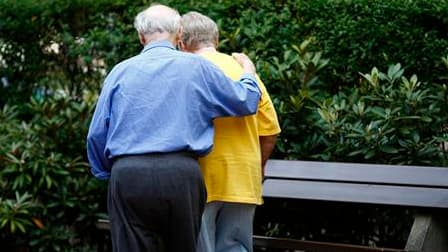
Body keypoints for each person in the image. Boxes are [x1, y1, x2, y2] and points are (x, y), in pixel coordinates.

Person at [86, 4, 263, 252]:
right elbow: (245, 101)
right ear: (179, 34)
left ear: (140, 36)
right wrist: (248, 72)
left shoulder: (119, 72)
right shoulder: (197, 67)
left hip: (129, 174)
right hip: (181, 173)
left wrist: (110, 173)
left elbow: (96, 135)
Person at [179, 11, 281, 252]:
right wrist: (259, 168)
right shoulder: (245, 71)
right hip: (243, 177)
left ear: (181, 42)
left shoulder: (183, 70)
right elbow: (270, 131)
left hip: (202, 178)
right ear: (216, 40)